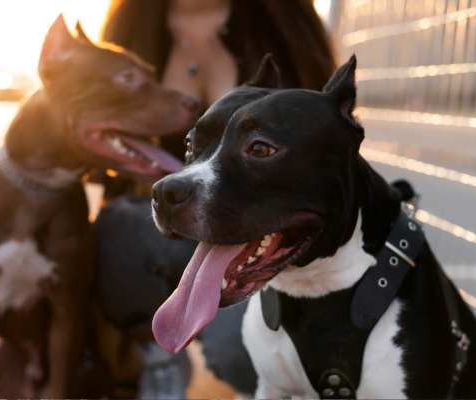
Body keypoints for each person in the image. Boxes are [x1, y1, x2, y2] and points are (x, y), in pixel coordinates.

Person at [95, 0, 337, 397]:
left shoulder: (284, 21)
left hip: (258, 226)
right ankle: (158, 366)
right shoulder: (131, 23)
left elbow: (325, 141)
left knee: (238, 351)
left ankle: (268, 377)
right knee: (115, 228)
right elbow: (91, 125)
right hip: (164, 219)